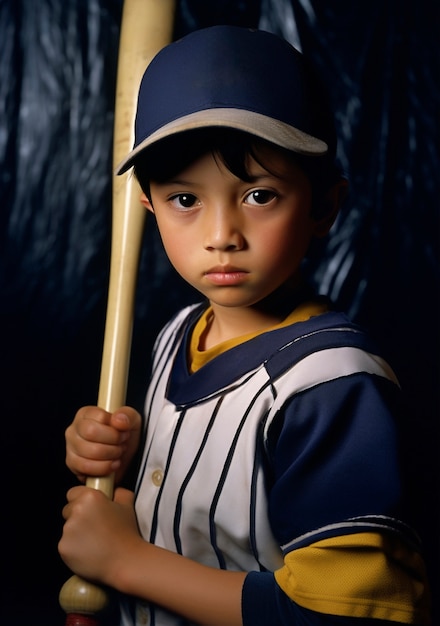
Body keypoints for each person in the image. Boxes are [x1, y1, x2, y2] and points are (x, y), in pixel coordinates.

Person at [58, 25, 431, 626]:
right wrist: (122, 469)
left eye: (259, 195)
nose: (221, 235)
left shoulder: (332, 386)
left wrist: (125, 561)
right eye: (186, 200)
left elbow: (347, 615)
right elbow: (208, 524)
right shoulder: (178, 333)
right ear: (149, 206)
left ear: (324, 206)